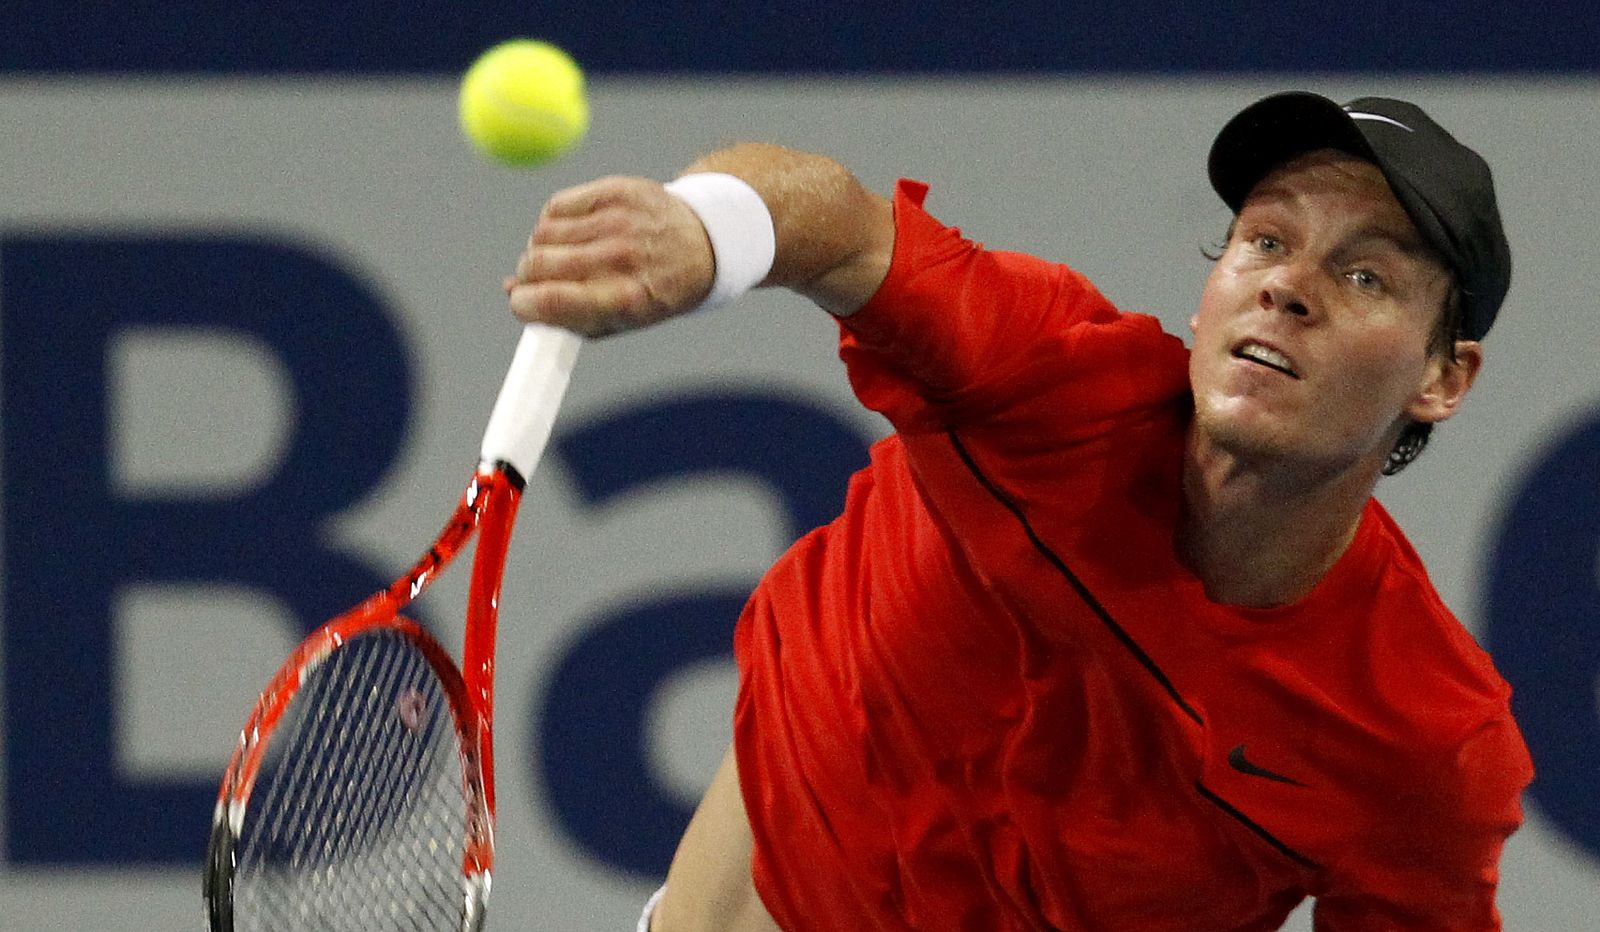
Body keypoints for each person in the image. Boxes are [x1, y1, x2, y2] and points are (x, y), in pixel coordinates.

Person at [505, 91, 1534, 931]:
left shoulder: (1423, 739)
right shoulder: (1046, 379)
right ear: (1208, 291)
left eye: (1364, 274)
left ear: (1443, 378)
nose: (1288, 288)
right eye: (1265, 240)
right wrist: (705, 227)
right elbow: (844, 229)